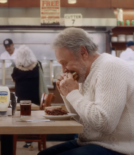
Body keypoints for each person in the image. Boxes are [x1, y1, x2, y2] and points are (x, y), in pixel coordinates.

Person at [38, 27, 134, 155]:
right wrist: (66, 94)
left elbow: (104, 124)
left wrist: (73, 93)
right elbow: (81, 117)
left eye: (65, 63)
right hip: (91, 142)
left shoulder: (110, 67)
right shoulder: (84, 74)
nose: (64, 70)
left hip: (117, 148)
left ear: (83, 53)